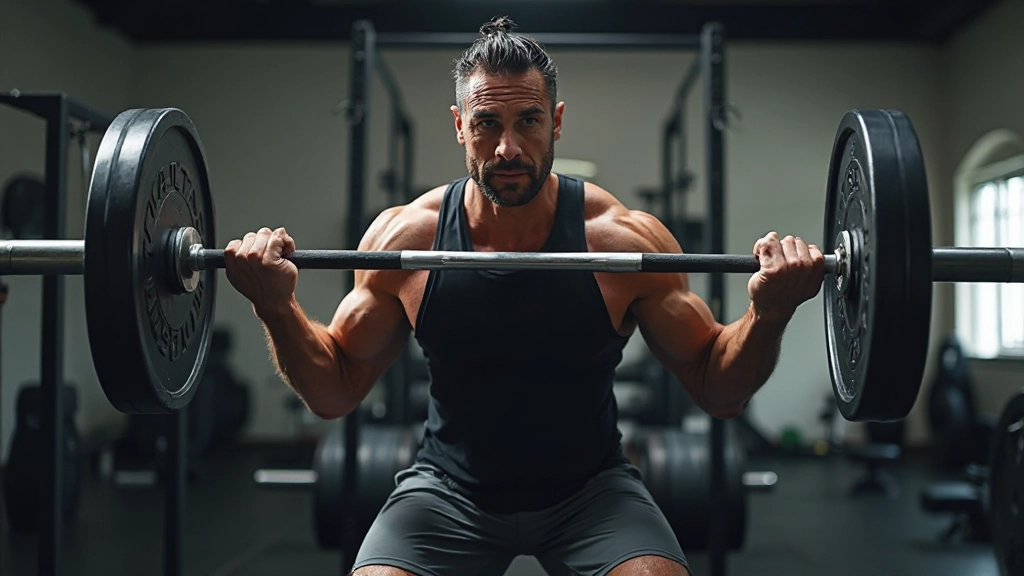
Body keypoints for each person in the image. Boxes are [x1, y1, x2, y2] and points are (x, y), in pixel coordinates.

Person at [224, 16, 825, 576]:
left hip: (592, 493)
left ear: (556, 122)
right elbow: (333, 391)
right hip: (446, 493)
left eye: (528, 122)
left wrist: (768, 313)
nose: (507, 148)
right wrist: (275, 306)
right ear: (459, 125)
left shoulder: (620, 240)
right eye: (487, 123)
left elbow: (717, 389)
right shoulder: (407, 239)